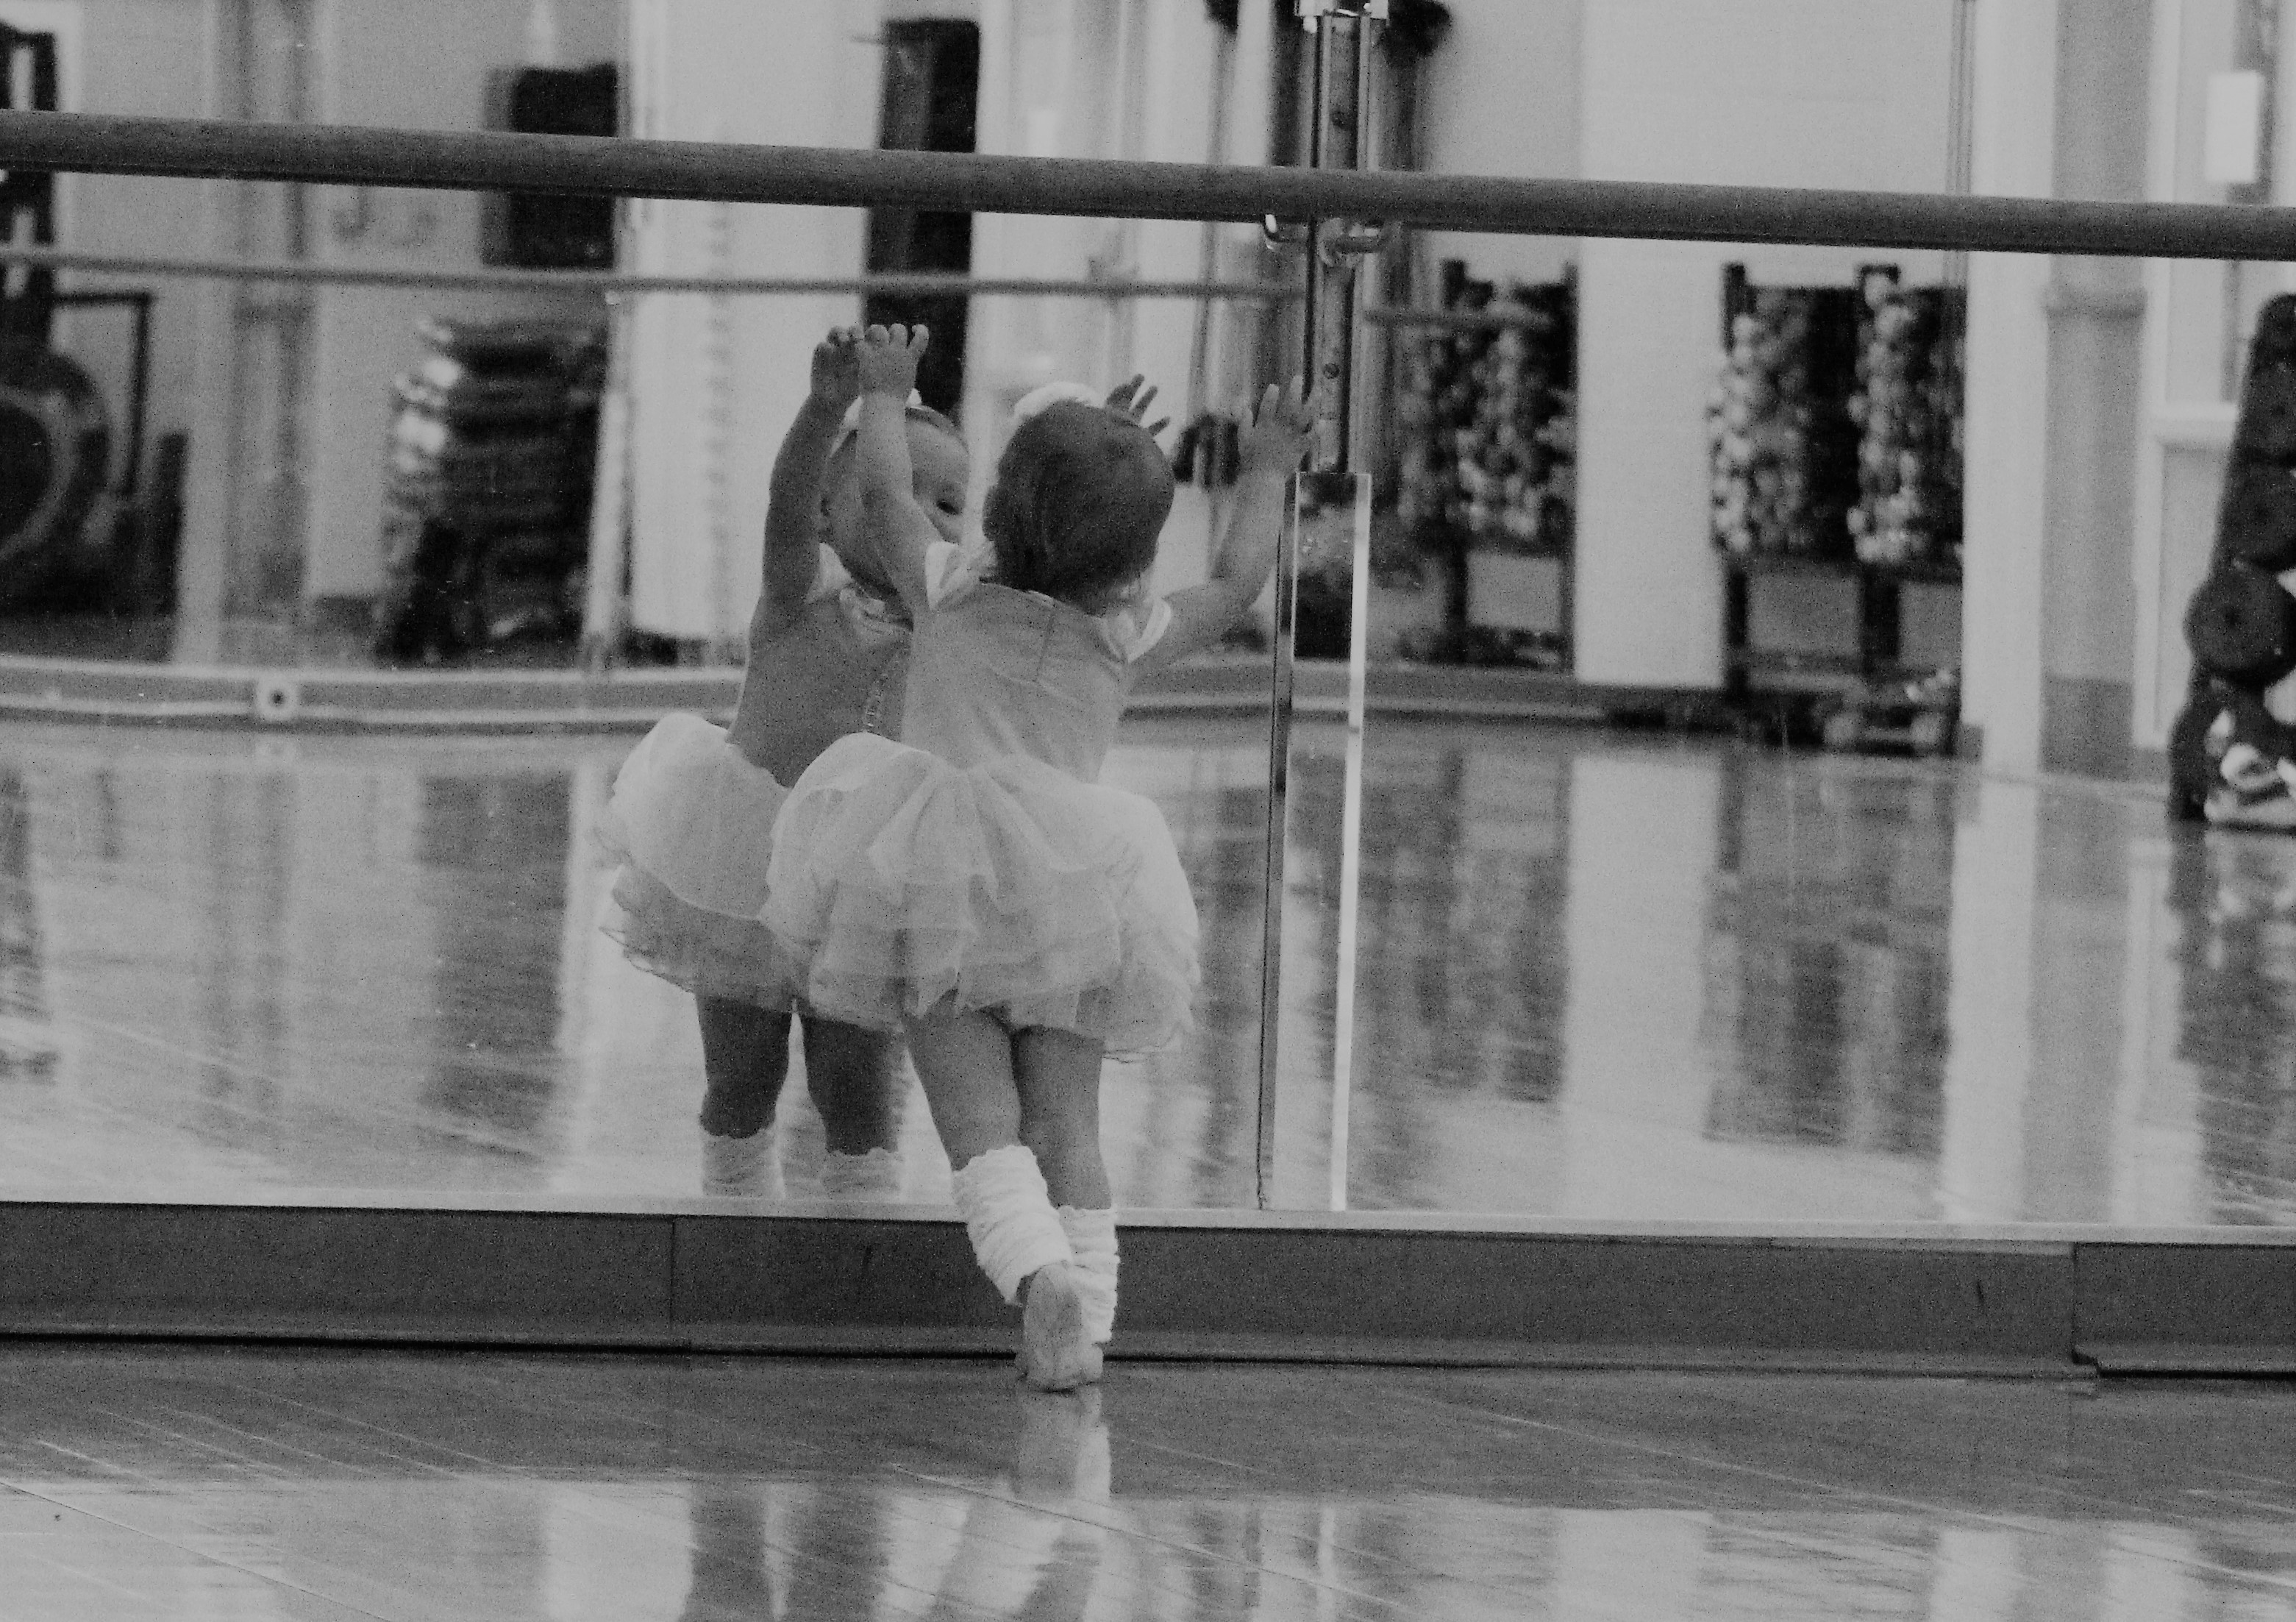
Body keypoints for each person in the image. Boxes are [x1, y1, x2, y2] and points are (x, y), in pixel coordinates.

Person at [764, 324, 1313, 1386]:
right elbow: (1236, 583)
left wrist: (886, 393)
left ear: (996, 513)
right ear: (1135, 560)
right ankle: (1085, 1328)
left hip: (940, 879)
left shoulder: (949, 589)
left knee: (980, 1121)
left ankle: (1036, 1276)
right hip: (1077, 889)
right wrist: (1266, 467)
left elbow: (882, 496)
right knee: (1068, 1122)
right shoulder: (1124, 632)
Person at [594, 327, 957, 1200]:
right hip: (744, 872)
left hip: (863, 883)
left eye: (947, 502)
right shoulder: (801, 595)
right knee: (742, 1077)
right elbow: (785, 500)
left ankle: (857, 1230)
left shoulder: (949, 623)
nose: (919, 514)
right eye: (890, 490)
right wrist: (826, 408)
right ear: (829, 514)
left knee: (856, 1089)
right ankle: (733, 1206)